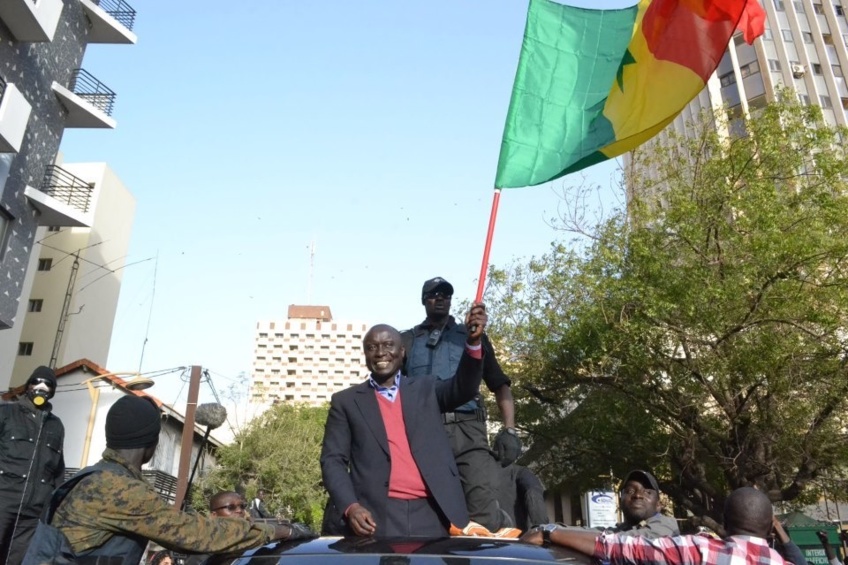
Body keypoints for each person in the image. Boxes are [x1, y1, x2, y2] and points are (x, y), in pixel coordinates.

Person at [23, 395, 306, 564]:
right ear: (151, 443)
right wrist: (280, 531)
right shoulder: (118, 489)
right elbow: (197, 535)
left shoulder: (96, 477)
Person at [320, 305, 487, 538]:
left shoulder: (426, 389)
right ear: (365, 355)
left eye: (388, 345)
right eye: (372, 347)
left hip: (431, 512)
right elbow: (332, 460)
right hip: (375, 516)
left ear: (402, 352)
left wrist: (473, 342)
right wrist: (351, 506)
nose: (380, 352)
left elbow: (464, 387)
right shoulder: (345, 402)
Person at [402, 277, 521, 533]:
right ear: (424, 300)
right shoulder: (407, 341)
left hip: (469, 433)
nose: (440, 297)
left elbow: (500, 385)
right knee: (424, 514)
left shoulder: (472, 336)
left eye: (445, 293)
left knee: (482, 511)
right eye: (434, 294)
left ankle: (497, 523)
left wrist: (510, 430)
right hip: (424, 432)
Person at [522, 486, 787, 565]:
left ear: (725, 524)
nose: (637, 496)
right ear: (769, 529)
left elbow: (619, 548)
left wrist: (550, 533)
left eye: (647, 492)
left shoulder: (697, 549)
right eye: (630, 490)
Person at [0, 366, 65, 564]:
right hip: (3, 501)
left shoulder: (56, 425)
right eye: (37, 381)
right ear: (28, 385)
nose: (42, 386)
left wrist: (53, 508)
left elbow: (58, 471)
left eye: (48, 384)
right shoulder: (7, 413)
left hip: (32, 513)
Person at [612, 470, 679, 538]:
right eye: (630, 491)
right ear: (620, 502)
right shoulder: (623, 529)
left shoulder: (666, 526)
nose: (638, 495)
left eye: (647, 492)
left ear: (658, 505)